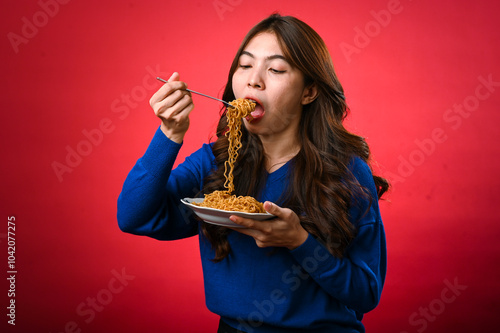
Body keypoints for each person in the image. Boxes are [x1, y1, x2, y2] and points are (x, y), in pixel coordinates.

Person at [117, 13, 389, 333]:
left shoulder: (346, 171)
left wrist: (299, 241)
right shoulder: (216, 163)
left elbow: (366, 294)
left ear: (309, 91)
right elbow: (132, 216)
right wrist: (169, 134)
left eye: (275, 69)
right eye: (245, 66)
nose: (253, 80)